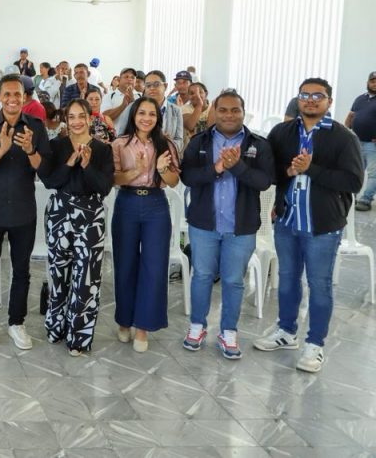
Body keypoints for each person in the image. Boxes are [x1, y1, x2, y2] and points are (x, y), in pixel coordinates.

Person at [256, 78, 364, 372]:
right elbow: (269, 171)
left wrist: (310, 169)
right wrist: (289, 171)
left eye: (318, 96)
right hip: (287, 221)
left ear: (329, 101)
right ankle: (286, 332)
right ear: (298, 99)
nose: (311, 100)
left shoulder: (343, 137)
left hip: (322, 226)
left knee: (319, 284)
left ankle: (315, 345)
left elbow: (353, 182)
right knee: (287, 279)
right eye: (305, 95)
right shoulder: (282, 132)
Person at [180, 90, 275, 360]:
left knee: (233, 280)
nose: (229, 115)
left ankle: (228, 332)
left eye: (235, 110)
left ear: (243, 112)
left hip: (241, 227)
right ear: (214, 112)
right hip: (204, 225)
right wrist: (217, 168)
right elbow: (188, 177)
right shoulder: (199, 141)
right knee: (202, 276)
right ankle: (197, 326)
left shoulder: (259, 145)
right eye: (223, 110)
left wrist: (238, 167)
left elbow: (264, 182)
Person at [0, 75, 51, 349]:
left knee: (21, 271)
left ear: (25, 97)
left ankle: (17, 322)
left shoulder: (36, 127)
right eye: (7, 94)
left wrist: (30, 150)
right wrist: (3, 149)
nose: (13, 99)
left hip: (22, 211)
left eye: (18, 94)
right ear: (0, 97)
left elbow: (46, 171)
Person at [38, 98, 115, 355]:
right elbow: (50, 181)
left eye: (81, 116)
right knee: (58, 274)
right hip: (60, 212)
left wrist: (86, 165)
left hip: (91, 215)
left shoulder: (103, 150)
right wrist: (70, 162)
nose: (77, 121)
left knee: (87, 278)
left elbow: (104, 187)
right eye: (71, 117)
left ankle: (78, 337)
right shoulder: (56, 146)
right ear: (65, 120)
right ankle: (56, 328)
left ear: (90, 118)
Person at [111, 96, 181, 353]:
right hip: (127, 203)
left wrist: (160, 169)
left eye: (152, 114)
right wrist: (137, 170)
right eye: (142, 113)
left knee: (154, 266)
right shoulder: (119, 144)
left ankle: (143, 326)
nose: (146, 118)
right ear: (133, 115)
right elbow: (114, 179)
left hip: (155, 206)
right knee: (125, 263)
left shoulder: (166, 144)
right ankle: (124, 320)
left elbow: (173, 181)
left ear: (158, 118)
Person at [114, 70, 184, 152]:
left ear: (165, 86)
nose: (152, 88)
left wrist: (166, 148)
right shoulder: (132, 107)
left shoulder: (176, 110)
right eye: (148, 85)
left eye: (156, 84)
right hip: (136, 155)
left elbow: (179, 140)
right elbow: (121, 134)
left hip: (165, 156)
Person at [345, 71, 376, 211]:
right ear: (368, 83)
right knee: (355, 171)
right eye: (372, 81)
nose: (375, 83)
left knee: (374, 174)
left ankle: (366, 199)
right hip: (356, 142)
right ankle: (351, 197)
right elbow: (351, 116)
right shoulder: (360, 99)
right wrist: (345, 132)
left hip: (372, 144)